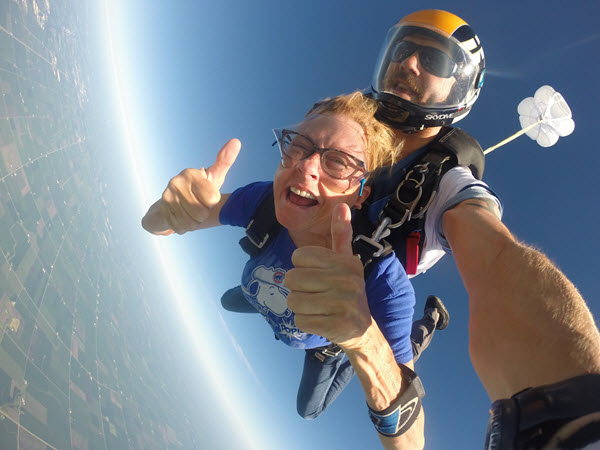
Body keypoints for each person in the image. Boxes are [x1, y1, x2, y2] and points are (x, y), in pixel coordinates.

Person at [286, 9, 600, 449]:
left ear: (462, 89)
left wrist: (573, 413)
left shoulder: (445, 183)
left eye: (433, 60)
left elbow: (496, 258)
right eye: (402, 50)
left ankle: (425, 325)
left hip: (371, 298)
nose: (409, 63)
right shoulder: (342, 132)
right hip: (307, 257)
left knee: (310, 406)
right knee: (251, 293)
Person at [141, 92, 426, 447]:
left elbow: (411, 444)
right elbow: (158, 226)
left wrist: (363, 340)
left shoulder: (383, 282)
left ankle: (418, 334)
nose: (306, 166)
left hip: (320, 345)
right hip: (266, 296)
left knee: (307, 410)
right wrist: (169, 210)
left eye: (338, 164)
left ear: (360, 194)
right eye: (299, 146)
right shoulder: (261, 202)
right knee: (233, 300)